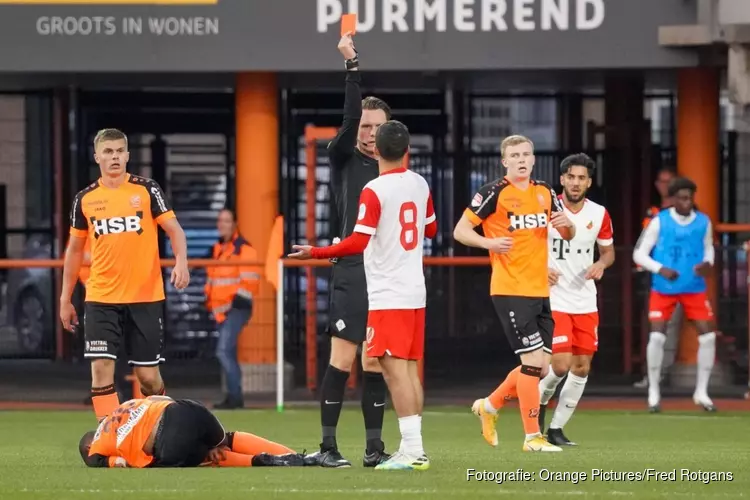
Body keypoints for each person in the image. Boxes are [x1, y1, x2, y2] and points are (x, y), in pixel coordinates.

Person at [289, 120, 436, 471]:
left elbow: (358, 242)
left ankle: (412, 450)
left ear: (377, 149)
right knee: (410, 370)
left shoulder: (374, 189)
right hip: (415, 291)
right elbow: (430, 228)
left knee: (392, 369)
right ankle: (415, 446)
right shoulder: (419, 182)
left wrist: (316, 252)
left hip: (388, 293)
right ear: (406, 150)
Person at [453, 134, 575, 453]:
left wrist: (566, 225)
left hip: (540, 290)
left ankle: (490, 406)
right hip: (510, 289)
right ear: (504, 162)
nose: (521, 159)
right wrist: (488, 243)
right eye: (515, 155)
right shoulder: (493, 192)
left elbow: (567, 231)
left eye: (526, 154)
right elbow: (461, 231)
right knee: (533, 364)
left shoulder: (545, 191)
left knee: (541, 367)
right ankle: (532, 437)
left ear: (533, 159)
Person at [60, 128, 190, 422]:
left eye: (119, 151)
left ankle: (161, 428)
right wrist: (65, 298)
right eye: (108, 152)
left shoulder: (147, 190)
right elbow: (74, 251)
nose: (115, 157)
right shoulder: (85, 199)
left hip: (144, 297)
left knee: (147, 377)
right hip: (101, 297)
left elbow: (174, 230)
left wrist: (181, 261)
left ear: (128, 155)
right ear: (97, 157)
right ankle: (112, 441)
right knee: (101, 369)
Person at [311, 31, 392, 468]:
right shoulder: (342, 156)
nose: (368, 133)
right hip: (349, 270)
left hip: (385, 275)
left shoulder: (397, 171)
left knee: (375, 362)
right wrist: (352, 69)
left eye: (376, 127)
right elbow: (347, 118)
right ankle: (327, 447)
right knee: (342, 359)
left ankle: (374, 450)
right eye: (363, 125)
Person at [537, 153, 615, 446]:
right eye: (571, 177)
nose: (575, 182)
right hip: (554, 297)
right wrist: (540, 268)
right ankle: (536, 413)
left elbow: (608, 252)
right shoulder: (544, 208)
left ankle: (556, 430)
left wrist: (601, 264)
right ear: (562, 179)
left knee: (581, 367)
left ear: (589, 182)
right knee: (559, 365)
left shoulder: (599, 213)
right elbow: (524, 247)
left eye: (581, 177)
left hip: (585, 299)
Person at [632, 177, 717, 413]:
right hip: (663, 287)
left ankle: (702, 392)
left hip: (694, 286)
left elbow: (709, 248)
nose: (687, 202)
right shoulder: (659, 221)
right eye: (681, 198)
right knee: (657, 337)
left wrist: (708, 262)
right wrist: (660, 269)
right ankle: (653, 391)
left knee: (708, 335)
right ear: (672, 200)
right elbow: (639, 254)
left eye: (689, 197)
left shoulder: (703, 222)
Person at [78, 395, 315, 468]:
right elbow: (161, 398)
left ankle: (262, 461)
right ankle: (299, 455)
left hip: (169, 440)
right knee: (227, 440)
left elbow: (119, 464)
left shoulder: (96, 447)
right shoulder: (124, 406)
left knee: (207, 458)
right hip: (187, 410)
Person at [205, 208, 261, 410]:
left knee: (223, 351)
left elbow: (249, 284)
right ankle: (232, 396)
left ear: (234, 224)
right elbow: (214, 281)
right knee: (227, 352)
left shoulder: (244, 249)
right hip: (221, 311)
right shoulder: (218, 249)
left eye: (226, 221)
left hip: (236, 309)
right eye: (220, 221)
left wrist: (227, 306)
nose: (222, 225)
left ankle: (235, 398)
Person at [634, 167, 683, 389]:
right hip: (651, 277)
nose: (665, 186)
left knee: (670, 329)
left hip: (676, 278)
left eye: (668, 181)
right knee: (653, 329)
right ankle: (652, 375)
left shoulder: (684, 211)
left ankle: (664, 375)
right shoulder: (652, 212)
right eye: (661, 181)